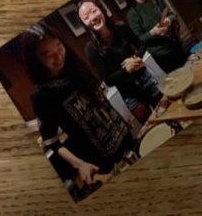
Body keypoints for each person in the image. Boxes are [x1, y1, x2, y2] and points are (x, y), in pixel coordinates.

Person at [20, 24, 135, 201]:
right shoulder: (41, 97)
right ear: (35, 60)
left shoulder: (75, 68)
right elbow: (51, 143)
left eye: (59, 47)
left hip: (127, 139)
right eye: (48, 54)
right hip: (105, 164)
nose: (58, 57)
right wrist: (79, 164)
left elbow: (101, 102)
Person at [78, 0, 162, 121]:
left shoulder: (121, 27)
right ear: (84, 24)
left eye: (94, 11)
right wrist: (127, 69)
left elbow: (141, 45)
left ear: (101, 9)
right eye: (86, 17)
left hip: (147, 79)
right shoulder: (91, 49)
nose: (92, 17)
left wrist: (134, 58)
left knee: (170, 114)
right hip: (130, 95)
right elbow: (108, 80)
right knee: (152, 127)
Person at [123, 0, 187, 73]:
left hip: (175, 43)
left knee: (190, 71)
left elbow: (172, 15)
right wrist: (153, 32)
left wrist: (168, 21)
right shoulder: (132, 14)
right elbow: (139, 39)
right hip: (161, 55)